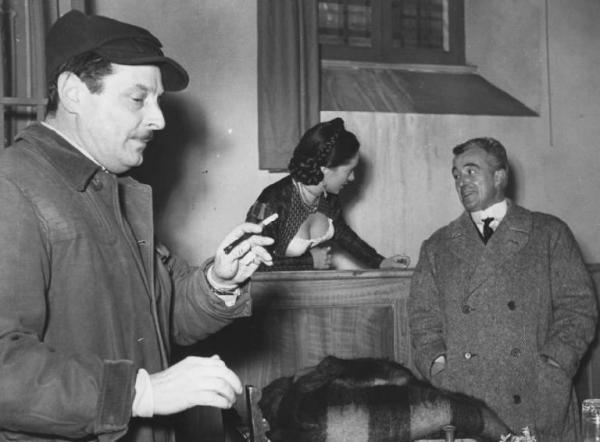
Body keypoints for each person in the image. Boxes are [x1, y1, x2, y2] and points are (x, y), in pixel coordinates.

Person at [0, 10, 274, 442]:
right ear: (73, 93)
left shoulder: (115, 189)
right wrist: (139, 392)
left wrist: (218, 282)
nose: (158, 119)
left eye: (157, 100)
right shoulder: (12, 185)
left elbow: (162, 318)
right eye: (137, 98)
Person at [408, 137, 598, 441]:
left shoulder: (548, 233)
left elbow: (579, 307)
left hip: (537, 396)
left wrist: (556, 363)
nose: (461, 182)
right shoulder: (437, 246)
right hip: (464, 400)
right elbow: (422, 319)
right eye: (456, 175)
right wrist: (437, 366)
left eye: (471, 171)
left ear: (499, 176)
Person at [245, 117, 410, 270]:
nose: (352, 178)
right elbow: (251, 261)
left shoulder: (327, 197)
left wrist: (380, 262)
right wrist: (309, 262)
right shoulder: (271, 201)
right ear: (325, 170)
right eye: (349, 171)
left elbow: (344, 235)